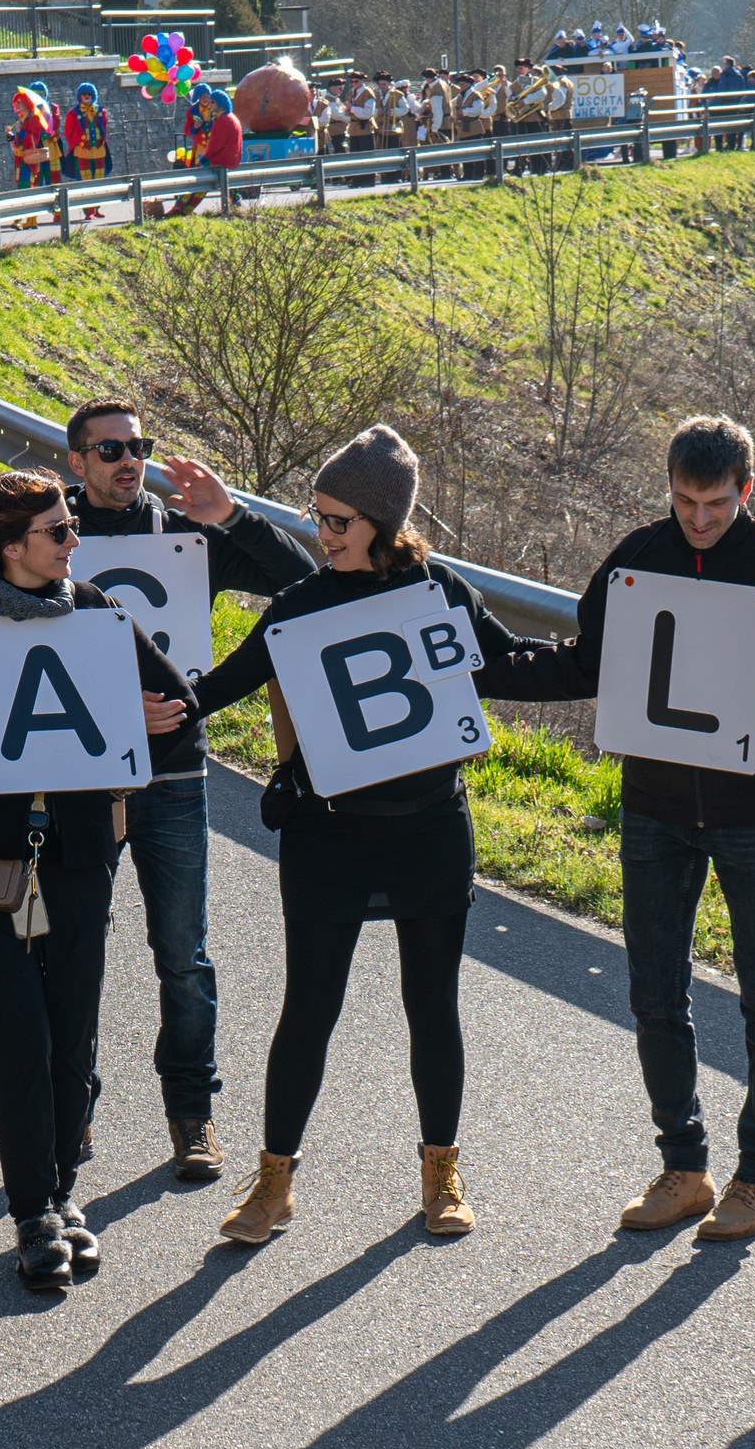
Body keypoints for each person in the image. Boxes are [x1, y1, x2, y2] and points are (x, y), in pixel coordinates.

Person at [494, 417, 755, 1243]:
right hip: (653, 810)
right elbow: (585, 662)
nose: (701, 519)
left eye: (717, 504)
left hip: (752, 816)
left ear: (746, 491)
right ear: (670, 488)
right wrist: (482, 672)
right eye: (685, 501)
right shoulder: (640, 556)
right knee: (653, 995)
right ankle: (684, 1166)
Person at [195, 427, 547, 1243]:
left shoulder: (440, 591)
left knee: (433, 1007)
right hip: (329, 835)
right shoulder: (303, 601)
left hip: (430, 829)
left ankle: (441, 1172)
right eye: (316, 518)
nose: (324, 536)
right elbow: (222, 684)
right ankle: (273, 1183)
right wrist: (164, 707)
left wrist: (602, 657)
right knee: (309, 1009)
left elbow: (509, 667)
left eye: (340, 523)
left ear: (384, 525)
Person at [0, 471, 193, 1290]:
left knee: (72, 1044)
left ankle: (63, 1199)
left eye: (70, 526)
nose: (74, 542)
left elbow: (180, 711)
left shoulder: (101, 613)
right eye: (57, 531)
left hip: (78, 862)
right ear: (10, 547)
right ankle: (33, 1215)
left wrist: (124, 714)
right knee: (22, 1047)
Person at [60, 401, 317, 1180]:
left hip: (173, 770)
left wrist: (233, 517)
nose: (126, 460)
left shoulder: (184, 532)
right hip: (83, 776)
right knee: (75, 954)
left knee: (183, 954)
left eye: (137, 447)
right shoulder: (51, 534)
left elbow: (305, 587)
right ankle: (72, 1115)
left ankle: (192, 1113)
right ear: (78, 462)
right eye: (108, 449)